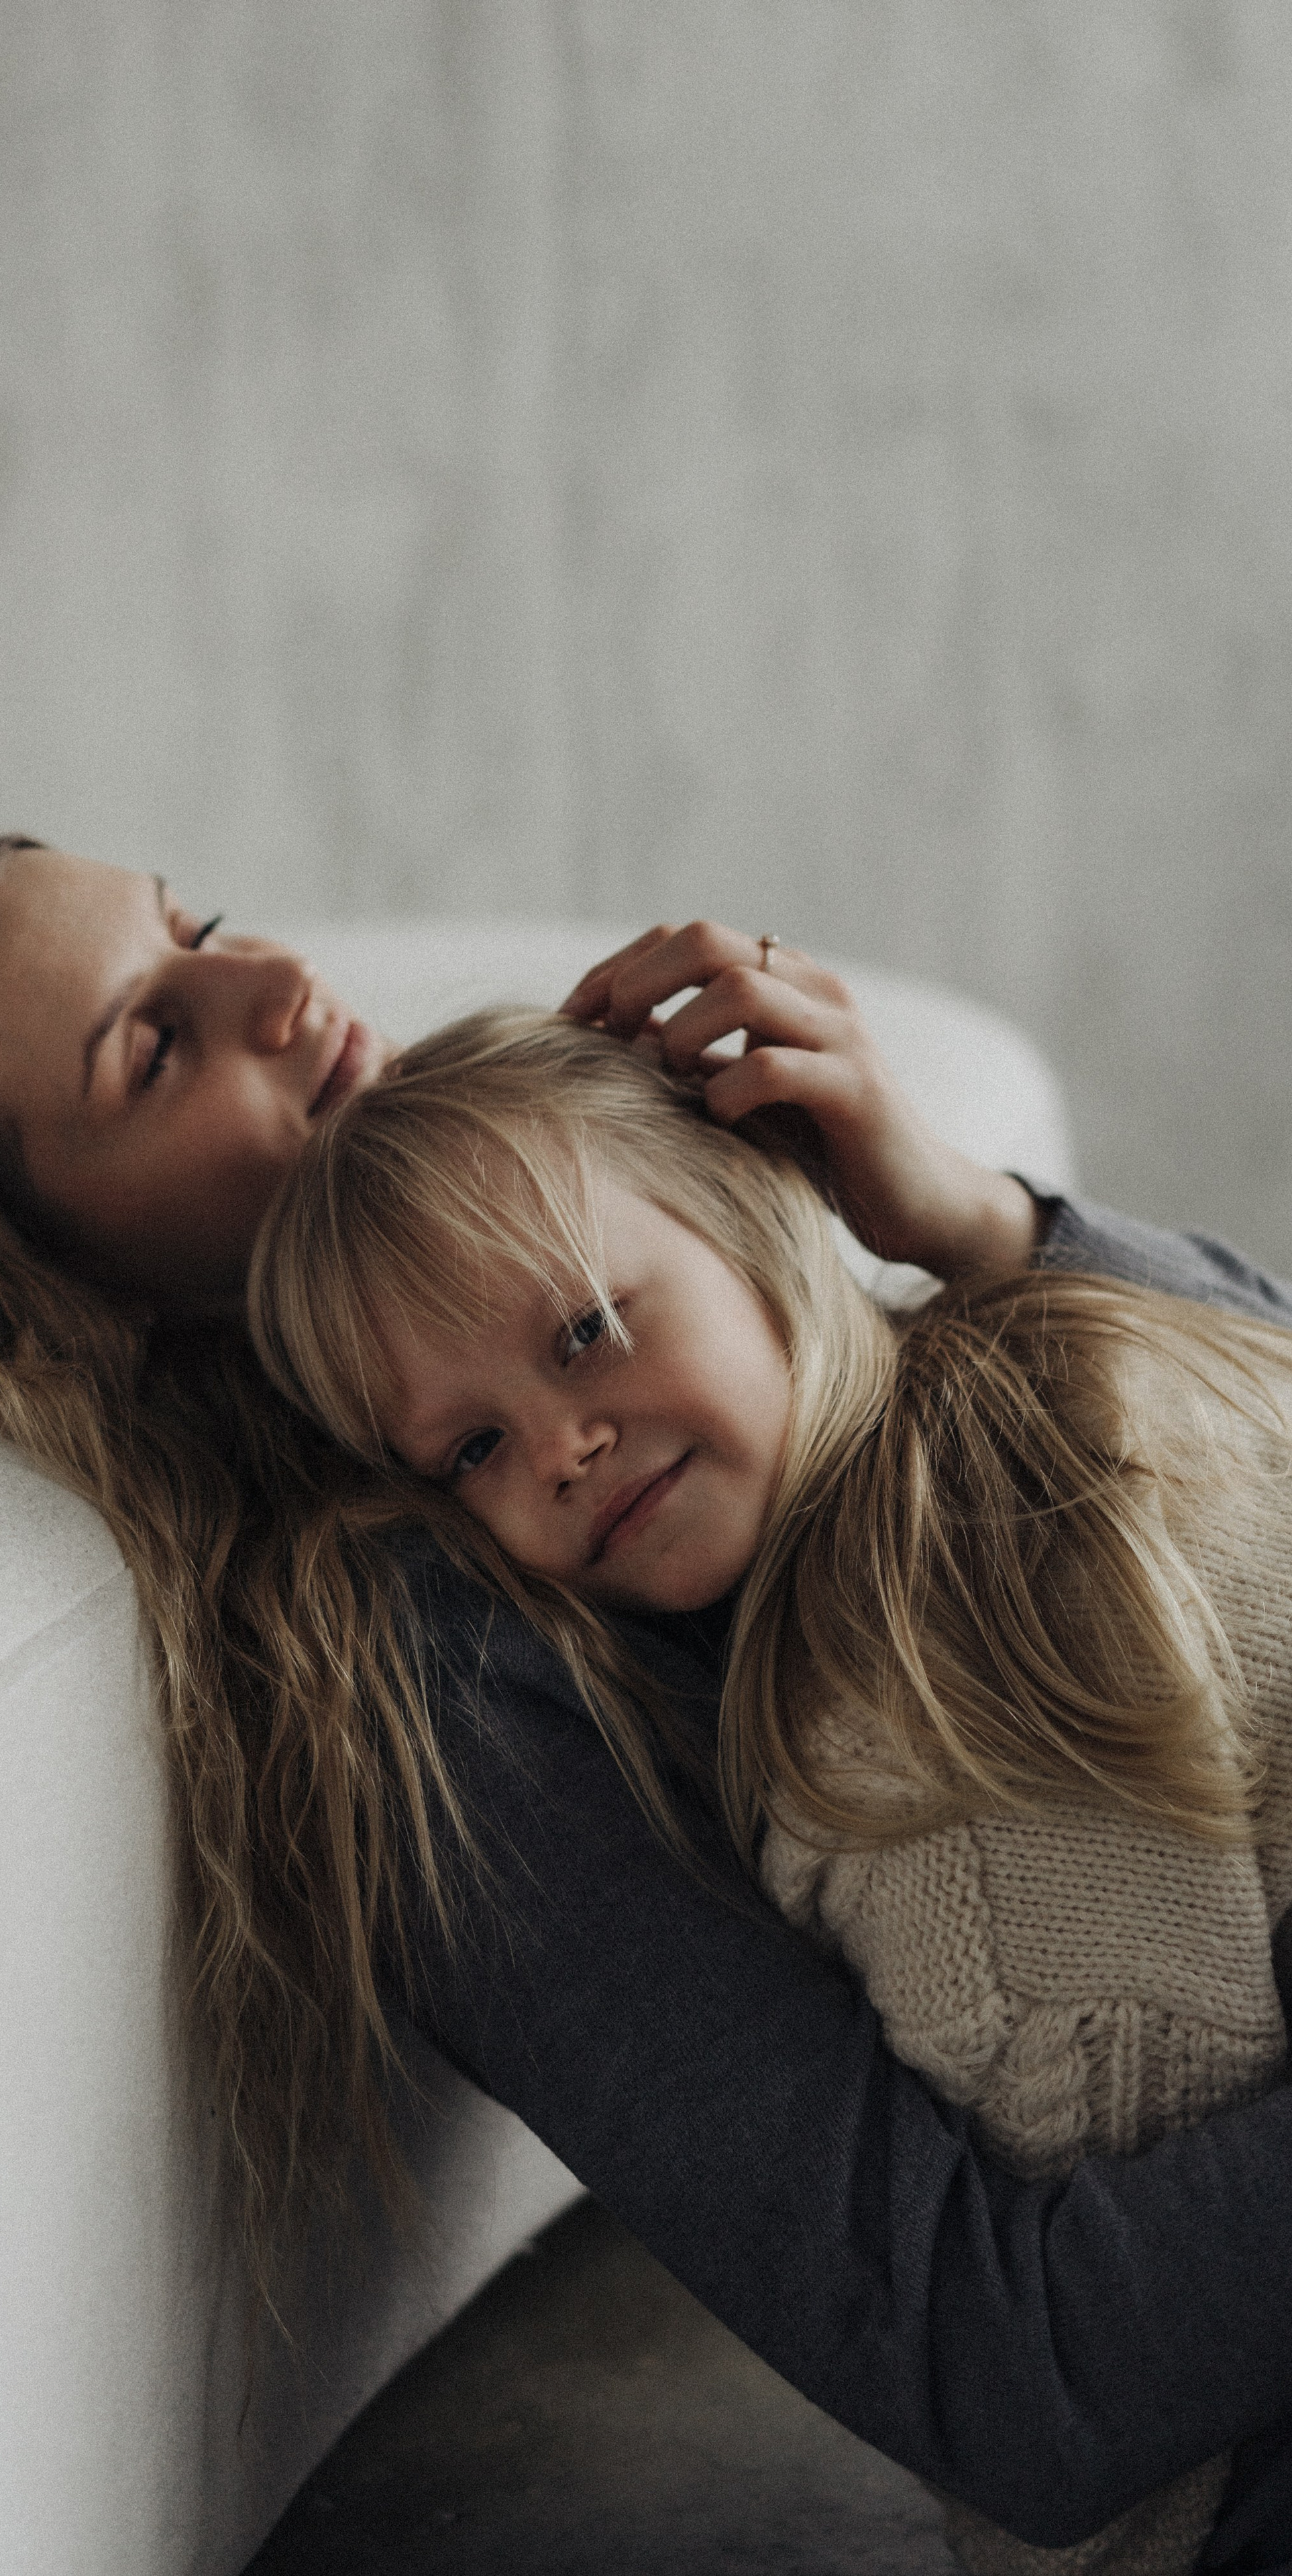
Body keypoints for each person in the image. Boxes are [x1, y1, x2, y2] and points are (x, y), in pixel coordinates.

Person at [0, 836, 1292, 2573]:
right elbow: (1005, 2365)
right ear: (67, 1296)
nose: (277, 985)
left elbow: (1257, 1442)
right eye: (153, 1044)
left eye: (194, 928)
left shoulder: (639, 1269)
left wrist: (975, 1222)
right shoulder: (443, 1679)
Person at [248, 1002, 1292, 2575]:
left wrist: (979, 1216)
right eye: (469, 1451)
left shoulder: (1075, 1356)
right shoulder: (879, 1737)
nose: (563, 1447)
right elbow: (1070, 2334)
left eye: (589, 1326)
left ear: (752, 1211)